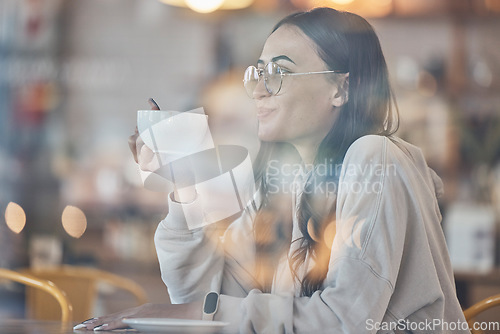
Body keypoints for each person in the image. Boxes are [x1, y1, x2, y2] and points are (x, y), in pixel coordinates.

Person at [75, 7, 470, 333]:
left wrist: (186, 314)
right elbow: (202, 300)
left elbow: (341, 322)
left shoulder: (375, 157)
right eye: (259, 72)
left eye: (278, 73)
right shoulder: (283, 180)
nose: (259, 90)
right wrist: (183, 184)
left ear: (341, 89)